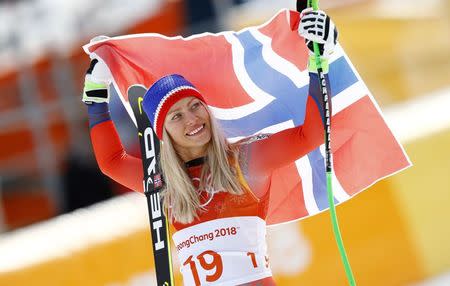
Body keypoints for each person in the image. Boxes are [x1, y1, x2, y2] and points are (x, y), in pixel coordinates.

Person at [82, 8, 338, 286]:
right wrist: (96, 95)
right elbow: (111, 162)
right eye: (176, 116)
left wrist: (320, 59)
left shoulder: (244, 161)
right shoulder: (163, 182)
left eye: (195, 106)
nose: (192, 119)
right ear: (163, 132)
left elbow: (310, 135)